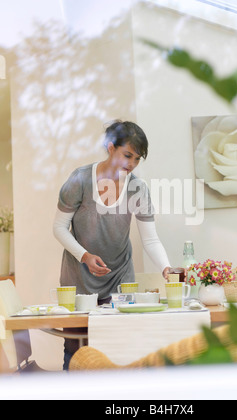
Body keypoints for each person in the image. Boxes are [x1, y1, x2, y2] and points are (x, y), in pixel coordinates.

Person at [53, 120, 171, 369]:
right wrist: (84, 256)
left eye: (137, 159)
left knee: (118, 350)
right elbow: (59, 228)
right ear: (110, 147)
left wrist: (166, 268)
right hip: (79, 279)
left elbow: (150, 238)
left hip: (119, 278)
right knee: (75, 351)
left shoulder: (137, 188)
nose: (131, 164)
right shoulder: (80, 180)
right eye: (127, 155)